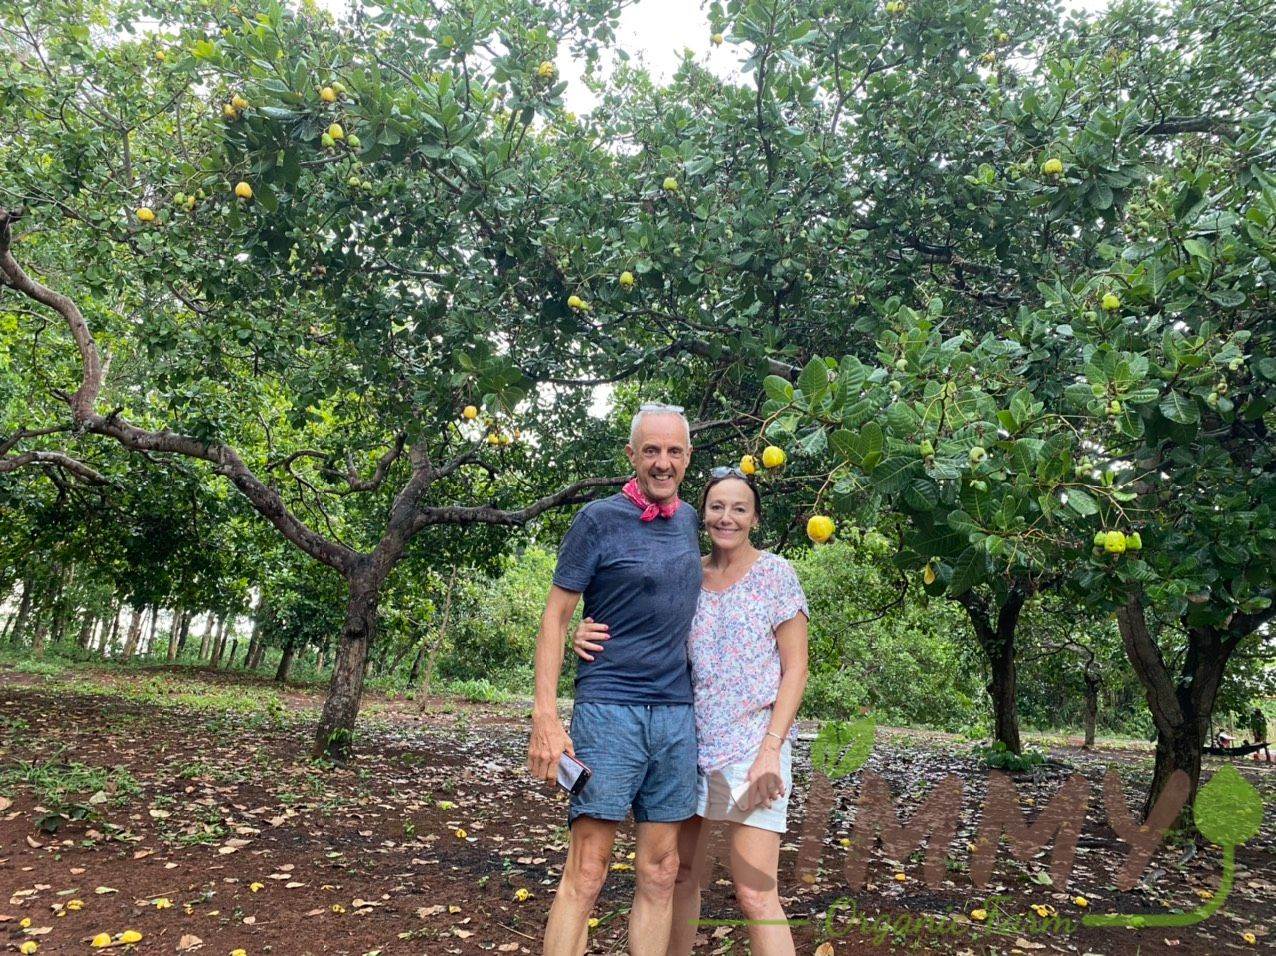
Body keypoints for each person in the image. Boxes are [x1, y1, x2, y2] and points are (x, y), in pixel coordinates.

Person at [573, 467, 810, 956]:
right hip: (691, 745)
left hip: (753, 747)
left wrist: (771, 750)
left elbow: (796, 669)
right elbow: (645, 628)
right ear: (702, 515)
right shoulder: (689, 574)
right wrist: (582, 630)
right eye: (718, 507)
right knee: (680, 875)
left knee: (754, 890)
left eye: (740, 508)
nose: (728, 518)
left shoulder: (775, 575)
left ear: (756, 519)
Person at [527, 402, 702, 956]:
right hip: (609, 714)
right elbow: (555, 617)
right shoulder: (597, 520)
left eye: (674, 450)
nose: (662, 462)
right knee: (588, 870)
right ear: (631, 455)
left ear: (688, 457)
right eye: (650, 450)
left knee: (661, 869)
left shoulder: (695, 520)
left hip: (677, 716)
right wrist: (546, 716)